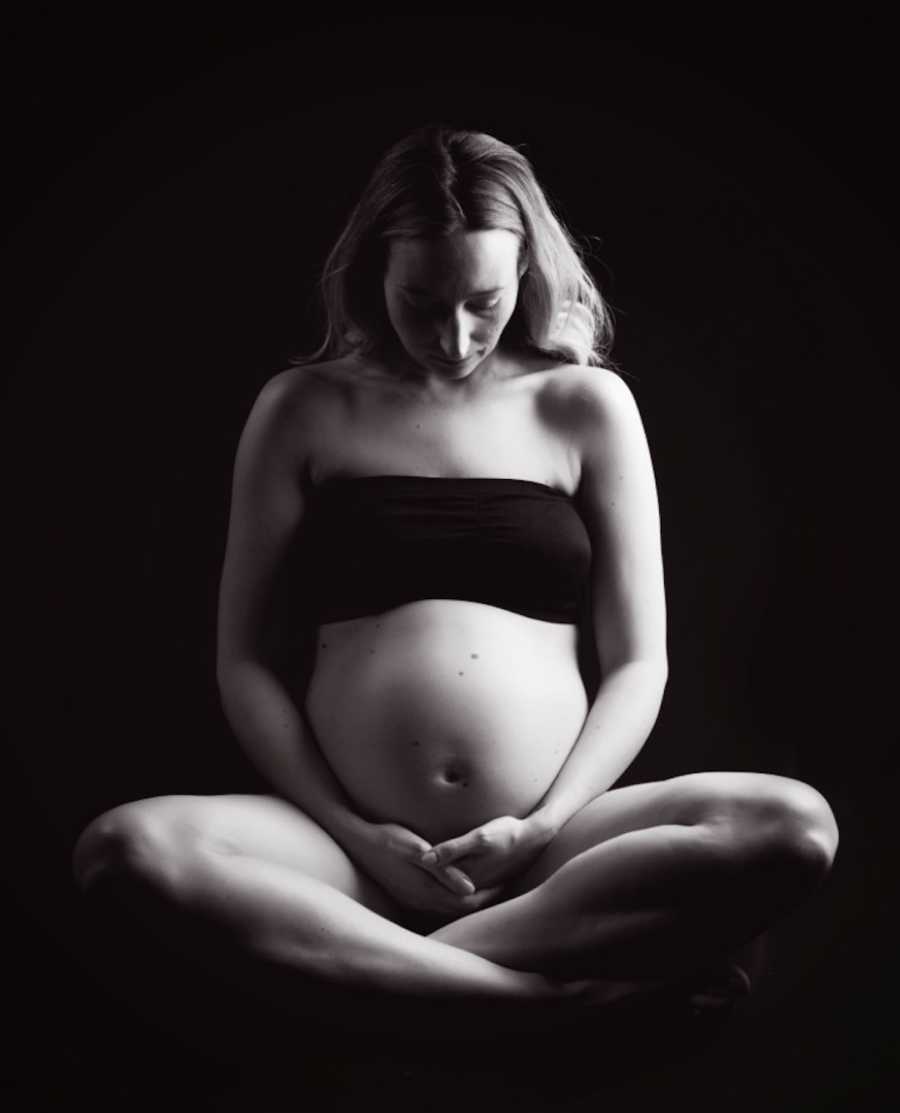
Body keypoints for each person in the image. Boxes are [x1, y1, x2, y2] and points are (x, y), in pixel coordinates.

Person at [72, 125, 839, 1026]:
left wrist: (543, 826)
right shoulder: (306, 408)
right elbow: (245, 659)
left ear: (527, 273)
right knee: (123, 850)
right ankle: (547, 1004)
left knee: (794, 827)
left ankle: (385, 963)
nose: (456, 333)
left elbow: (640, 663)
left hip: (545, 853)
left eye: (485, 299)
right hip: (343, 845)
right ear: (372, 273)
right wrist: (353, 829)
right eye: (421, 301)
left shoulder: (583, 406)